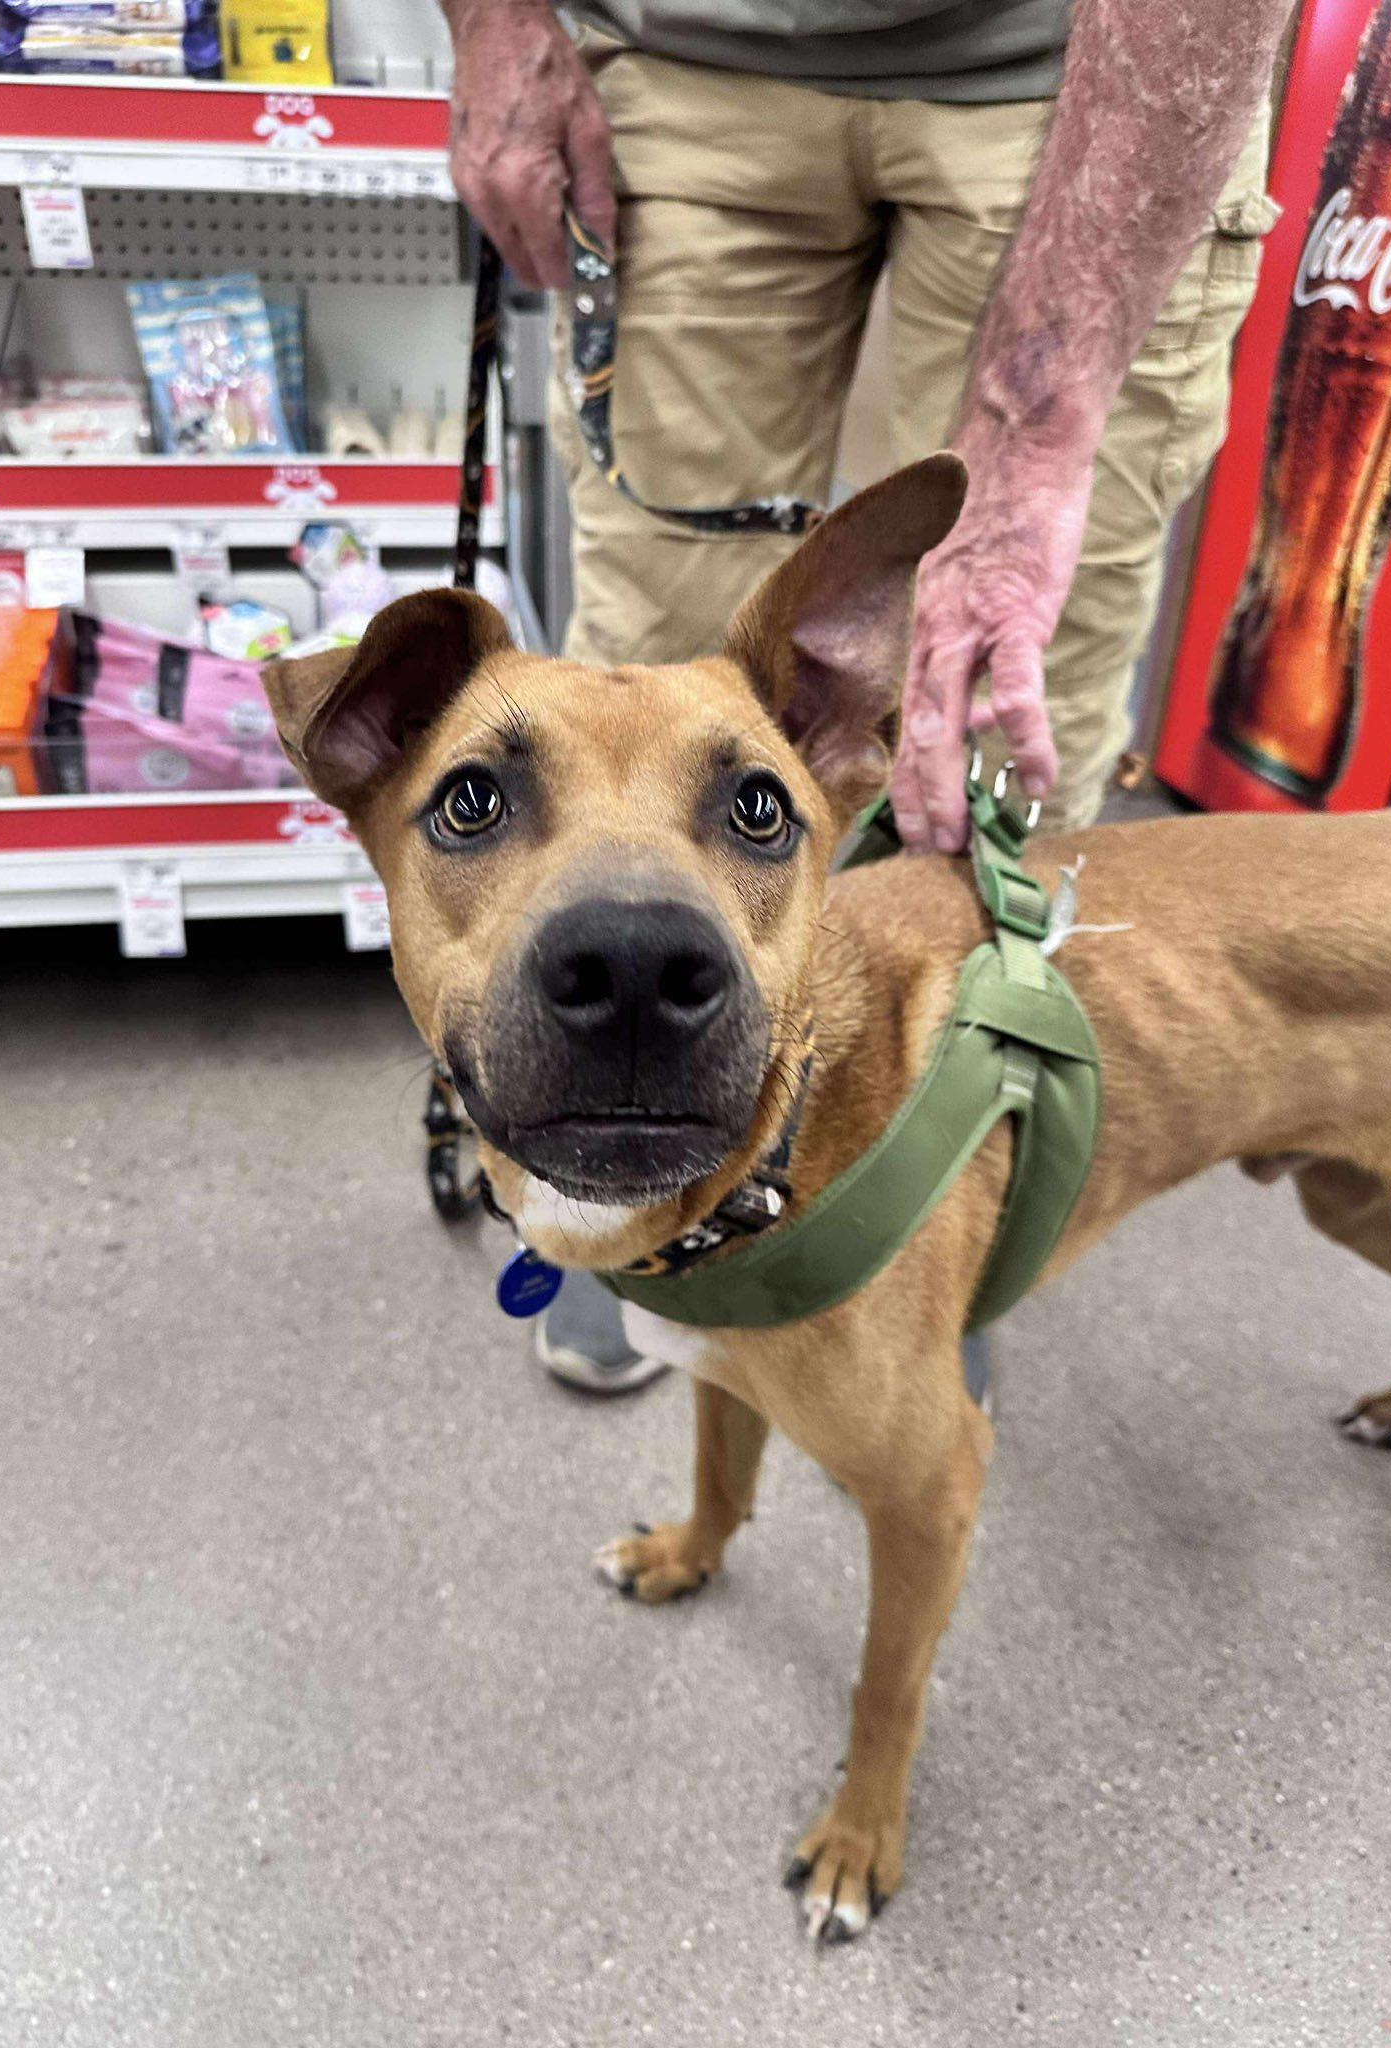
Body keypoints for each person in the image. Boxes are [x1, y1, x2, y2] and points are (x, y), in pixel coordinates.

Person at [440, 0, 1294, 1391]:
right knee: (632, 716)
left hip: (1098, 68)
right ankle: (612, 1199)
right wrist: (492, 24)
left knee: (988, 754)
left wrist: (1043, 413)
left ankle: (951, 1204)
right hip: (680, 53)